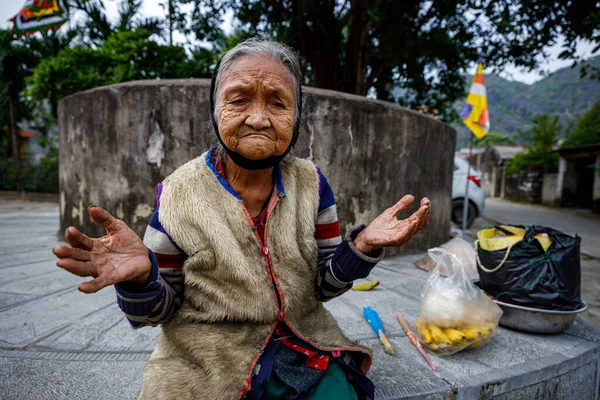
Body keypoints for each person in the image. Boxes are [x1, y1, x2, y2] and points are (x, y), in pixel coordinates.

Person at [53, 39, 431, 400]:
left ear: (297, 117)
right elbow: (159, 312)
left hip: (304, 343)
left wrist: (362, 247)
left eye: (278, 103)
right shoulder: (178, 195)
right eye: (238, 99)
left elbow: (323, 286)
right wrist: (140, 280)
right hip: (206, 358)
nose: (258, 118)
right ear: (215, 110)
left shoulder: (312, 185)